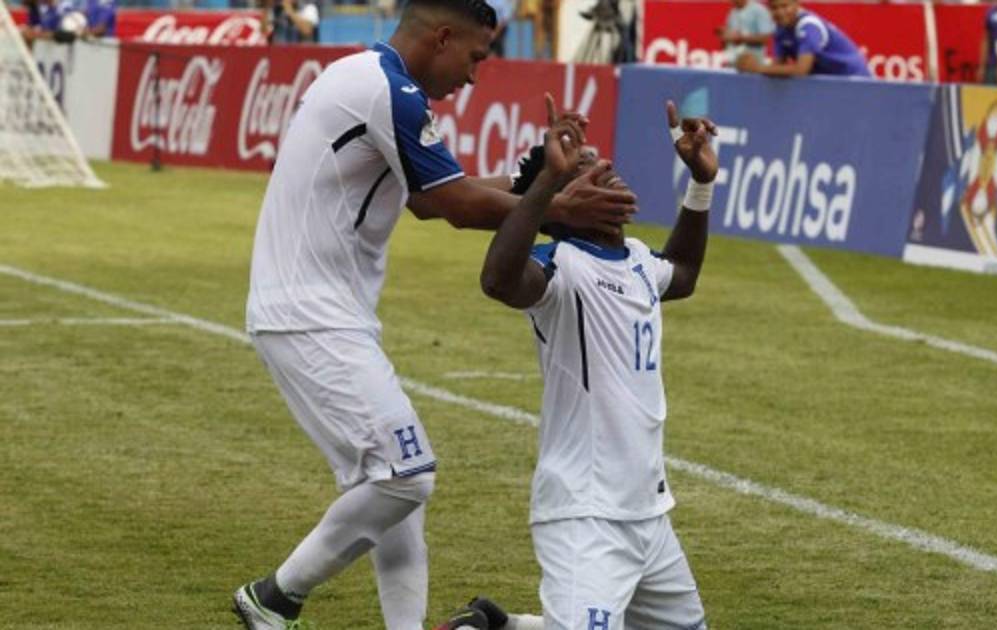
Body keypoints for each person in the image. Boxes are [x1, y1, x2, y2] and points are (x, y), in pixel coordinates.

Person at [232, 0, 637, 627]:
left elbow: (429, 198)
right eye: (475, 57)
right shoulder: (389, 90)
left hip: (316, 311)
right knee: (407, 476)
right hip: (309, 313)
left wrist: (541, 181)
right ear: (443, 37)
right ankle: (273, 598)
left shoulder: (369, 78)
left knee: (397, 490)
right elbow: (455, 206)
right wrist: (558, 207)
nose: (474, 76)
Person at [478, 97, 718, 630]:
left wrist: (701, 185)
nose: (606, 164)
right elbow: (497, 281)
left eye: (597, 158)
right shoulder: (559, 266)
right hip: (585, 516)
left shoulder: (638, 260)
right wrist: (545, 188)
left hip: (649, 515)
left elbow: (682, 272)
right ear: (566, 200)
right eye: (584, 167)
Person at [735, 0, 870, 78]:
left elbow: (801, 70)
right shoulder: (779, 30)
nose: (780, 12)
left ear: (797, 4)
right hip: (832, 80)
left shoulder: (809, 26)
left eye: (785, 6)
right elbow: (777, 66)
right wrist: (748, 66)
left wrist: (759, 68)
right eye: (774, 8)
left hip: (854, 77)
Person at [716, 0, 775, 69]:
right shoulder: (732, 12)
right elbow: (729, 36)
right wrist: (725, 36)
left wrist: (740, 38)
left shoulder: (759, 10)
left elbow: (765, 38)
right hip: (733, 63)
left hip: (752, 65)